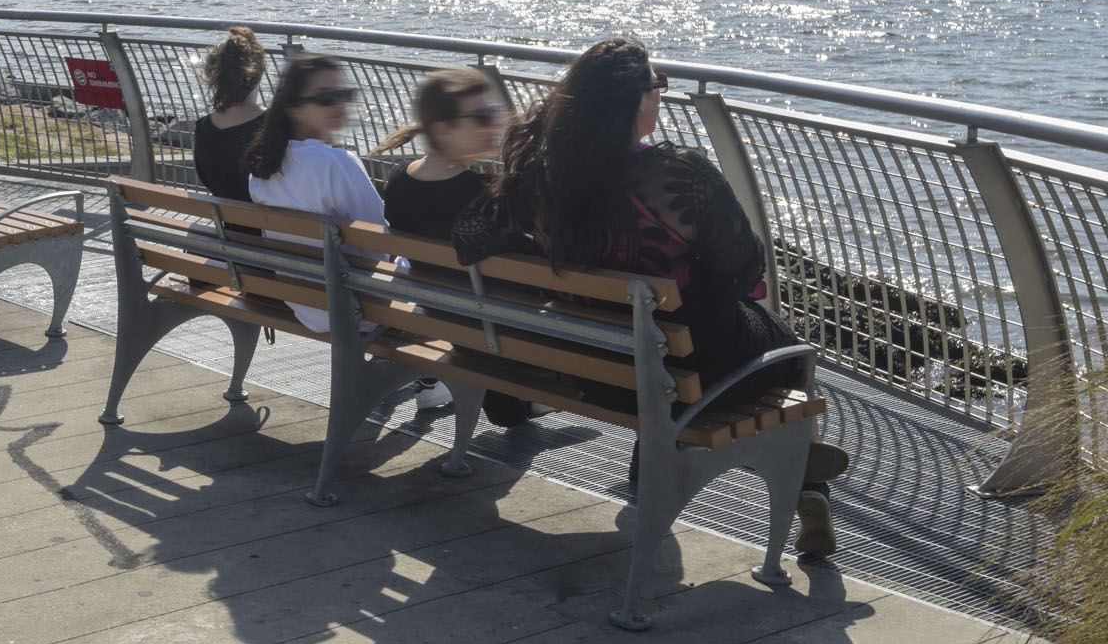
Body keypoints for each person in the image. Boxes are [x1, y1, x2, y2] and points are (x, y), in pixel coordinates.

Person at [458, 37, 847, 555]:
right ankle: (808, 488)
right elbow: (746, 269)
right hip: (691, 376)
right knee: (789, 350)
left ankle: (657, 465)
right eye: (657, 85)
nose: (661, 95)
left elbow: (468, 238)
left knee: (654, 333)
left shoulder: (540, 176)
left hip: (594, 371)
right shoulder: (677, 173)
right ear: (634, 100)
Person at [373, 67, 532, 425]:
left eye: (494, 113)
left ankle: (511, 406)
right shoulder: (484, 196)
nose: (494, 124)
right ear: (443, 129)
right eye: (482, 117)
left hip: (444, 316)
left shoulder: (399, 183)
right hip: (499, 330)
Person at [244, 54, 388, 332]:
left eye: (344, 94)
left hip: (306, 307)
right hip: (357, 306)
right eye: (325, 98)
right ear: (294, 108)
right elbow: (379, 249)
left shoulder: (262, 168)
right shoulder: (338, 163)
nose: (338, 104)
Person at [192, 26, 266, 202]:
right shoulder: (273, 125)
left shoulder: (202, 128)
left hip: (227, 226)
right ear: (259, 73)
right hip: (269, 228)